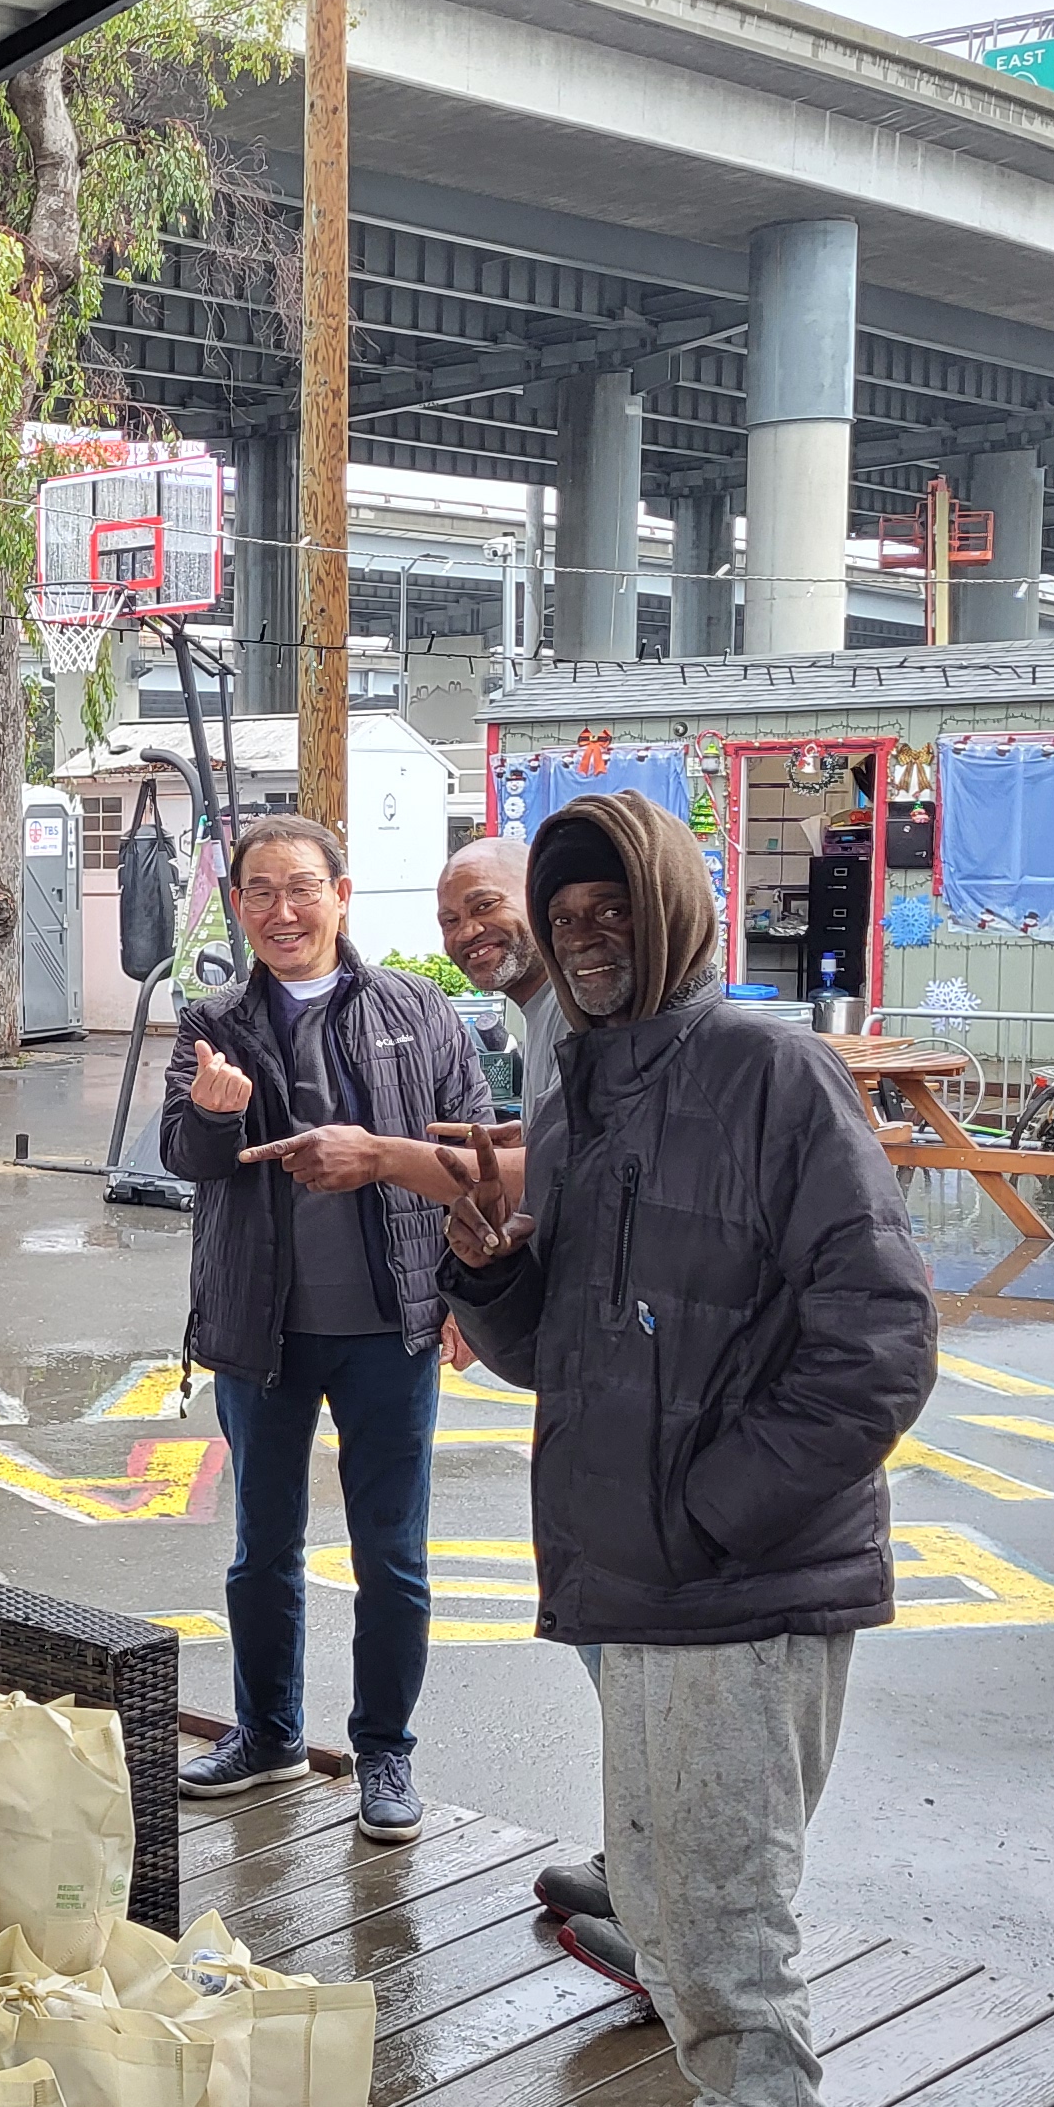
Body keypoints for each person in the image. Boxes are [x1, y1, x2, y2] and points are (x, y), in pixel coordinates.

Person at [431, 788, 936, 2107]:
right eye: (561, 915)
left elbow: (879, 1338)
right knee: (666, 1904)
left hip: (741, 1592)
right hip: (631, 1594)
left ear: (670, 914)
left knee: (724, 1934)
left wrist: (714, 1513)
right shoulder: (576, 1094)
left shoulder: (772, 1075)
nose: (583, 937)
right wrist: (496, 1280)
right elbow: (556, 1359)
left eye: (609, 911)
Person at [158, 813, 486, 1842]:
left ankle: (384, 1750)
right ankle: (267, 1736)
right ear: (238, 905)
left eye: (301, 887)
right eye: (258, 891)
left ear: (341, 895)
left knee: (390, 1553)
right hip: (261, 1332)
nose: (281, 911)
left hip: (392, 1323)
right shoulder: (209, 1018)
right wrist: (211, 1112)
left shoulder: (415, 1009)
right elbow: (181, 1159)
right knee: (262, 1548)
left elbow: (475, 1157)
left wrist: (471, 1294)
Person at [435, 832, 639, 1997]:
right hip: (581, 1368)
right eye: (455, 916)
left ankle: (672, 1921)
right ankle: (640, 1866)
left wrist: (377, 1160)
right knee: (604, 1635)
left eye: (486, 907)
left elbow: (545, 1174)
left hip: (639, 1375)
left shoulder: (617, 1024)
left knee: (644, 1653)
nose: (473, 933)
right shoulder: (545, 1023)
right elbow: (536, 1163)